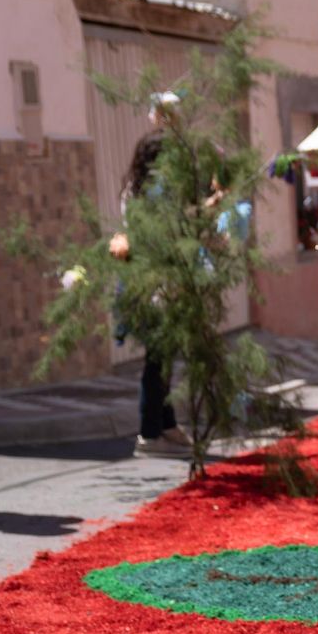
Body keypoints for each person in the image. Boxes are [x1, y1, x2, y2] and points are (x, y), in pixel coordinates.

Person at [109, 129, 191, 459]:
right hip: (154, 279)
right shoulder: (149, 192)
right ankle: (149, 432)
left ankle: (166, 423)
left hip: (158, 276)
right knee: (157, 359)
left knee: (164, 356)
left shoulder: (138, 190)